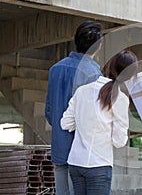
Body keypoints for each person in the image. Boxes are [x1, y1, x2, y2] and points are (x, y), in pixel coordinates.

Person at [60, 50, 138, 195]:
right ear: (129, 76)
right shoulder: (120, 99)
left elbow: (65, 123)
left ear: (109, 67)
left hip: (76, 162)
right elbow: (119, 141)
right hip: (99, 164)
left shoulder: (81, 91)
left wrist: (84, 121)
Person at [45, 21, 103, 195]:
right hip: (82, 153)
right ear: (99, 46)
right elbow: (93, 117)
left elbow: (49, 112)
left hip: (59, 147)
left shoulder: (55, 69)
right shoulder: (93, 74)